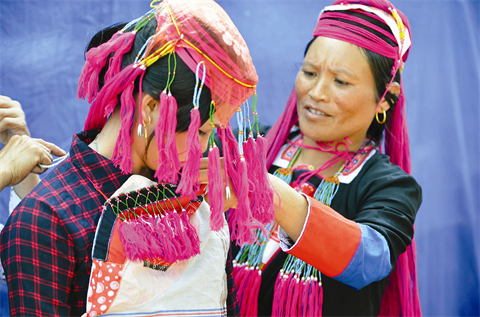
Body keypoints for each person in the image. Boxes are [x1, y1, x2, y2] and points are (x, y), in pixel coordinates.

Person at [0, 1, 271, 316]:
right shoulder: (48, 218)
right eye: (200, 132)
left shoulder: (197, 199)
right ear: (151, 109)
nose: (206, 148)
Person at [231, 0, 422, 316]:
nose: (316, 92)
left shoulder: (390, 186)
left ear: (386, 99)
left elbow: (369, 260)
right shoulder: (251, 146)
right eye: (309, 72)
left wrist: (266, 189)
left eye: (341, 81)